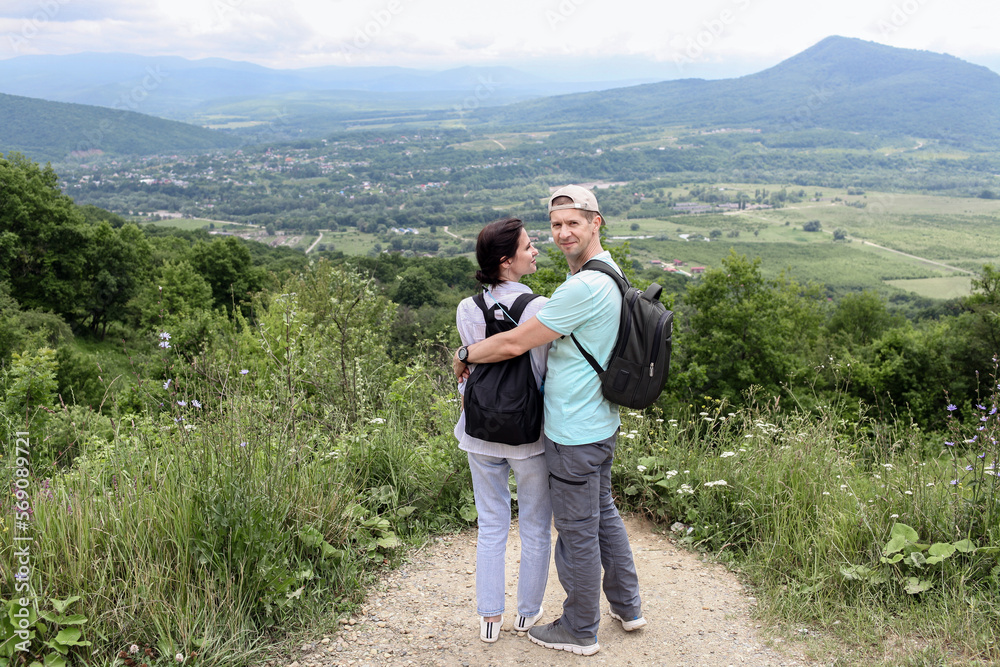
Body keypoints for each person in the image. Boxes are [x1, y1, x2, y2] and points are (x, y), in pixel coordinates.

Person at [453, 185, 645, 656]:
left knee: (577, 531)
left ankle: (580, 629)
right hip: (599, 420)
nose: (560, 234)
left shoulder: (580, 288)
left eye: (572, 223)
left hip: (573, 429)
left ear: (595, 222)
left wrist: (464, 354)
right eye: (555, 225)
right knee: (602, 514)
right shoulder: (609, 271)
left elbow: (516, 344)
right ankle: (628, 604)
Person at [454, 216, 552, 643]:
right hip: (529, 434)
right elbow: (544, 372)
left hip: (479, 432)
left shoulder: (467, 309)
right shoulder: (538, 307)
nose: (535, 251)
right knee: (534, 525)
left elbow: (469, 374)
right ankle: (528, 615)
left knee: (491, 524)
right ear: (507, 261)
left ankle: (489, 619)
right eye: (529, 247)